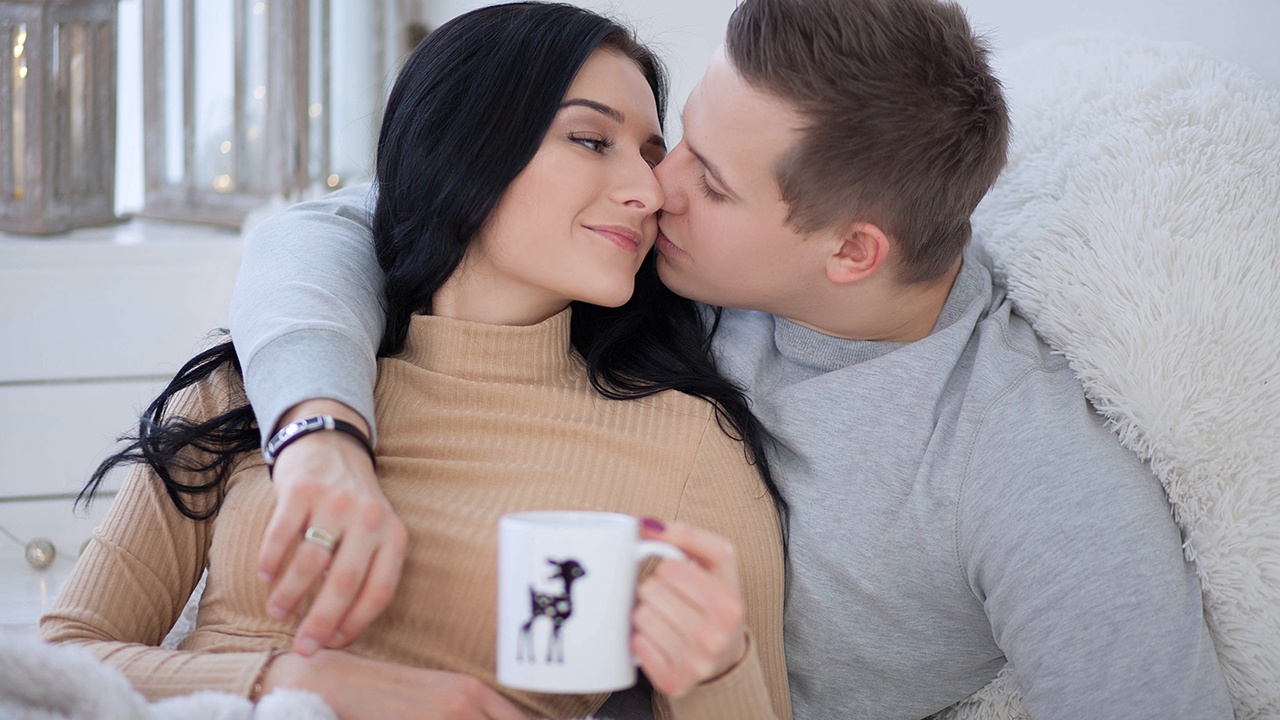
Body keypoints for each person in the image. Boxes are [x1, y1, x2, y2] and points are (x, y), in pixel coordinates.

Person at [226, 0, 1236, 718]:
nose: (653, 186)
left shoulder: (1025, 471)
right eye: (678, 140)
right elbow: (335, 228)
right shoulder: (664, 261)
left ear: (852, 252)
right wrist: (321, 436)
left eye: (707, 179)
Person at [39, 4, 791, 720]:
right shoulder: (259, 383)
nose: (647, 191)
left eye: (650, 156)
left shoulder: (690, 446)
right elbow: (63, 658)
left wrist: (719, 671)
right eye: (592, 140)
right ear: (466, 144)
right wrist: (291, 680)